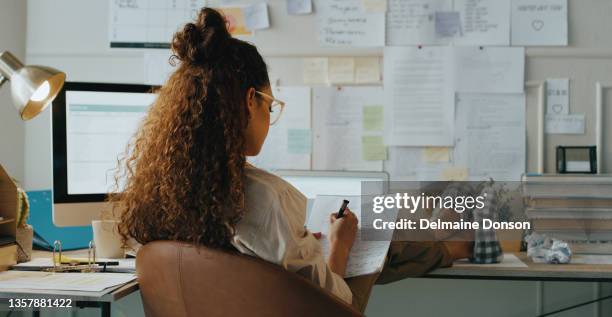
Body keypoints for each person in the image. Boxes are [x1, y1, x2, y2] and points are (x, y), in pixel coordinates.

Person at [113, 7, 473, 313]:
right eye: (270, 105)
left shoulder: (160, 195)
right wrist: (340, 244)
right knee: (367, 236)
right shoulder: (265, 197)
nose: (270, 116)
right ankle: (448, 245)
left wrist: (308, 242)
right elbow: (333, 301)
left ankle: (444, 245)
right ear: (250, 100)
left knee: (370, 240)